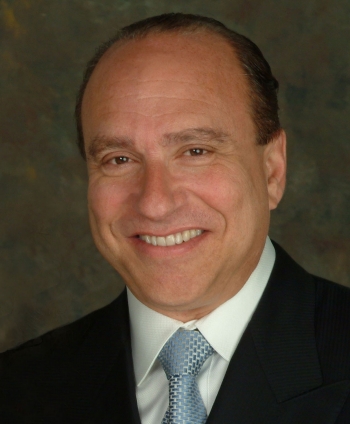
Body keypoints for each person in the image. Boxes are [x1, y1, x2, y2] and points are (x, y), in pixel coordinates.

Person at [1, 13, 350, 423]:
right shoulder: (16, 390)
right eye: (120, 159)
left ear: (272, 170)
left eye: (196, 151)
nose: (154, 203)